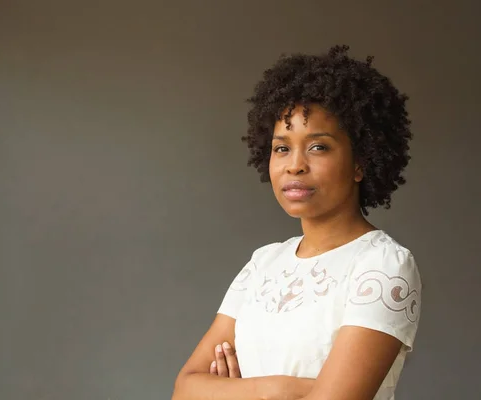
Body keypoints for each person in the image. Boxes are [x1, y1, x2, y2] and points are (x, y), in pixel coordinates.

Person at [172, 45, 422, 400]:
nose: (295, 165)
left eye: (318, 147)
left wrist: (230, 391)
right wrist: (282, 391)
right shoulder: (263, 264)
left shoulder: (382, 266)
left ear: (360, 163)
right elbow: (184, 389)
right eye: (281, 148)